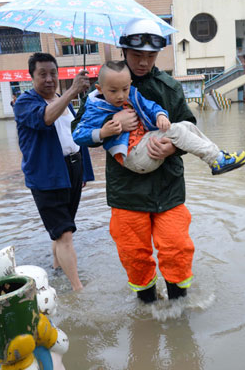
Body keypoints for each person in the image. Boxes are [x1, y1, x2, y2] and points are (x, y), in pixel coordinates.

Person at [73, 19, 205, 303]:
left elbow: (190, 127)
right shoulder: (101, 91)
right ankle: (147, 307)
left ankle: (178, 308)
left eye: (150, 56)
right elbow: (79, 131)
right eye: (137, 56)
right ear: (123, 51)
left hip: (167, 186)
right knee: (134, 254)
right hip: (127, 190)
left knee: (176, 248)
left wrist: (171, 148)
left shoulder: (169, 87)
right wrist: (112, 121)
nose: (144, 62)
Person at [73, 60, 245, 175]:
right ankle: (216, 159)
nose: (120, 96)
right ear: (100, 88)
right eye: (113, 91)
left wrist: (160, 115)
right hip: (132, 157)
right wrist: (103, 131)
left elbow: (151, 106)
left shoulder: (133, 94)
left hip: (148, 147)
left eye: (125, 89)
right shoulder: (94, 107)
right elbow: (78, 134)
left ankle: (217, 157)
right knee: (177, 129)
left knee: (185, 125)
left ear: (130, 85)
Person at [14, 52, 94, 291]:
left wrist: (84, 172)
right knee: (65, 233)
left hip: (72, 169)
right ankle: (78, 289)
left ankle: (57, 267)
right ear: (31, 77)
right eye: (42, 74)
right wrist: (72, 91)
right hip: (46, 176)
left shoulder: (63, 100)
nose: (49, 79)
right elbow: (45, 119)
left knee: (63, 229)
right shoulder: (25, 103)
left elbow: (75, 136)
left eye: (53, 73)